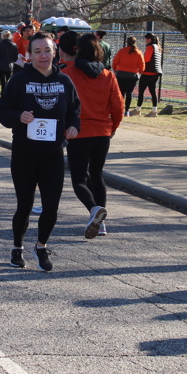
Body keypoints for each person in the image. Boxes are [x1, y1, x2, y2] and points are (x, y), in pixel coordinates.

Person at [0, 32, 80, 271]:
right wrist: (18, 117)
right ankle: (17, 247)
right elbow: (3, 112)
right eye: (37, 51)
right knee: (24, 205)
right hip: (24, 153)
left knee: (51, 206)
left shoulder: (64, 81)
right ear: (29, 55)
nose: (43, 56)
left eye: (47, 50)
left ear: (55, 53)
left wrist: (74, 126)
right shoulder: (19, 80)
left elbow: (74, 110)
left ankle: (41, 246)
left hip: (53, 154)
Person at [61, 32, 123, 239]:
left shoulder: (68, 73)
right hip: (102, 131)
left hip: (79, 132)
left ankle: (94, 210)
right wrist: (113, 127)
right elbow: (118, 105)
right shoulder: (108, 75)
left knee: (79, 178)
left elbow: (63, 104)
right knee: (97, 175)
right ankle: (101, 223)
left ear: (77, 50)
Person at [112, 36, 145, 116]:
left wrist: (115, 69)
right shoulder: (138, 52)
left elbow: (115, 61)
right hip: (132, 75)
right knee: (129, 93)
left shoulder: (122, 51)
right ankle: (127, 110)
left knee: (121, 92)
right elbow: (142, 65)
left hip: (121, 74)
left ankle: (120, 109)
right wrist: (140, 71)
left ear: (127, 42)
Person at [135, 32, 163, 116]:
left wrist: (140, 61)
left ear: (149, 39)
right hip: (156, 72)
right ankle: (154, 111)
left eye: (146, 39)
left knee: (141, 90)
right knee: (153, 91)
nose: (145, 41)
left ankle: (138, 109)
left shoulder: (150, 47)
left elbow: (146, 59)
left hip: (148, 72)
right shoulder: (158, 47)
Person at [0, 29, 18, 96]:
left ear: (3, 36)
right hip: (9, 66)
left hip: (1, 65)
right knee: (7, 82)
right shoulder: (14, 45)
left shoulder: (0, 44)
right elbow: (15, 57)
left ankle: (3, 96)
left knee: (3, 83)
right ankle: (7, 95)